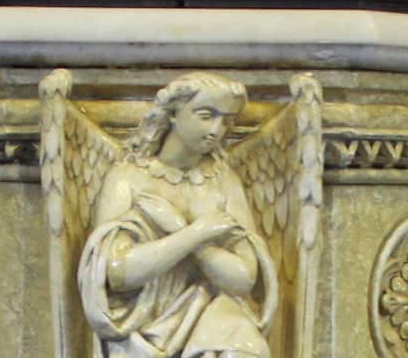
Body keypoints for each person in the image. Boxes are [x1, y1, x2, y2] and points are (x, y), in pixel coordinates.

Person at [78, 73, 273, 358]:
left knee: (239, 339)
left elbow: (243, 278)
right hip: (142, 320)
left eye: (227, 120)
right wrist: (195, 234)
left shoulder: (224, 183)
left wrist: (189, 233)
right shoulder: (129, 179)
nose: (217, 130)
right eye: (206, 115)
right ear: (172, 114)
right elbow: (117, 272)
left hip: (211, 314)